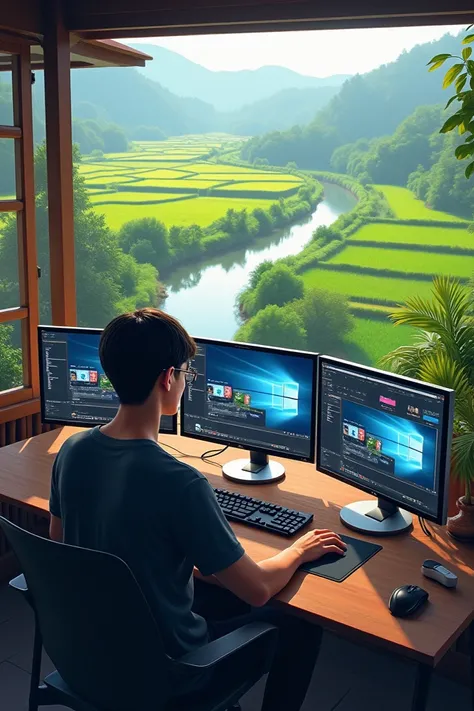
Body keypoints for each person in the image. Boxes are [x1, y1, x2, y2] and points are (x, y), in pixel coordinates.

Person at [49, 308, 346, 711]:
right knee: (299, 626)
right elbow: (256, 590)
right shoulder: (179, 481)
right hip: (171, 674)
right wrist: (298, 550)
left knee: (214, 587)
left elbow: (63, 546)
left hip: (95, 651)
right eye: (186, 372)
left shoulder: (72, 451)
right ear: (167, 378)